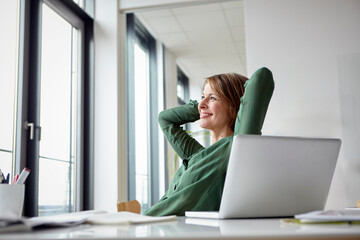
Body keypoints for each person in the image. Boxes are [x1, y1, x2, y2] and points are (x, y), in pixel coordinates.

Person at [144, 67, 273, 216]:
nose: (201, 103)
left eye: (213, 98)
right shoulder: (196, 154)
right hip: (148, 224)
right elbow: (165, 119)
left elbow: (262, 77)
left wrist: (235, 101)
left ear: (235, 107)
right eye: (202, 97)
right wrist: (202, 108)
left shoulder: (236, 146)